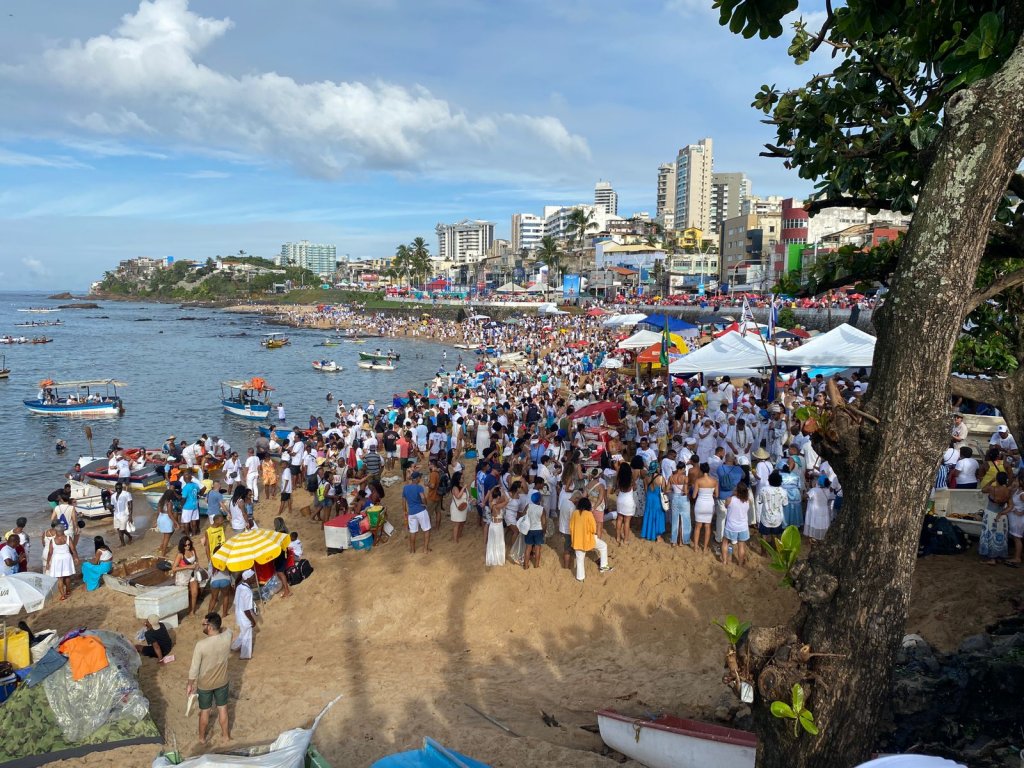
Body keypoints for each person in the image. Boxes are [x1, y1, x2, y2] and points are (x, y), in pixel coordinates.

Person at [188, 612, 233, 744]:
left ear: (209, 626)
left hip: (205, 684)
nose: (202, 626)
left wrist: (190, 684)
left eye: (204, 624)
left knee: (205, 711)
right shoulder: (228, 636)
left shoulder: (201, 645)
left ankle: (202, 739)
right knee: (223, 709)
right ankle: (226, 736)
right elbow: (226, 629)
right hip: (222, 681)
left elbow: (194, 668)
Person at [570, 498, 612, 582]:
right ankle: (603, 567)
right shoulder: (589, 514)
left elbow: (571, 527)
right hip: (588, 539)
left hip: (577, 540)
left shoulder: (574, 513)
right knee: (603, 546)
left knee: (580, 559)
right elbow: (593, 529)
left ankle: (580, 578)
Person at [979, 471, 1011, 564]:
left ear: (997, 479)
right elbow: (1010, 506)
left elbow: (983, 489)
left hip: (990, 514)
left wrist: (991, 480)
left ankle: (991, 558)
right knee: (1000, 535)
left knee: (990, 534)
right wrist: (1001, 513)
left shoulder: (992, 488)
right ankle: (999, 556)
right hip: (1002, 515)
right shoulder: (1008, 491)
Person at [173, 535, 204, 617]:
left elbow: (196, 559)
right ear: (182, 545)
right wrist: (188, 566)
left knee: (194, 593)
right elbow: (174, 568)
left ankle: (192, 611)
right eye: (185, 545)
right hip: (182, 576)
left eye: (189, 544)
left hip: (192, 574)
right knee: (181, 595)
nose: (187, 546)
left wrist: (196, 564)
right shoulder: (180, 555)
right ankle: (178, 613)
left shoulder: (193, 550)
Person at [45, 524, 78, 600]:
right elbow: (73, 549)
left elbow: (50, 553)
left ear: (56, 531)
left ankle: (63, 595)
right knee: (67, 575)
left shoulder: (52, 540)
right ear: (63, 530)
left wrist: (47, 563)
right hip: (67, 557)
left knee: (60, 578)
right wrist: (76, 557)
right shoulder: (67, 538)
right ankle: (68, 590)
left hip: (57, 558)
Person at [692, 462, 719, 554]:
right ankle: (705, 548)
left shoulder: (698, 481)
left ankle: (695, 547)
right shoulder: (714, 481)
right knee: (707, 527)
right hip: (709, 505)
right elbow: (717, 495)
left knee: (697, 527)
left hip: (700, 504)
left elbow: (694, 496)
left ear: (701, 470)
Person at [722, 481, 751, 566]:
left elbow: (726, 506)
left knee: (725, 543)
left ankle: (724, 561)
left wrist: (732, 495)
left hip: (731, 526)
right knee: (741, 546)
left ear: (737, 490)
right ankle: (740, 563)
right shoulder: (747, 501)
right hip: (743, 527)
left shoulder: (730, 499)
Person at [402, 471, 432, 554]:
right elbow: (422, 497)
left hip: (411, 513)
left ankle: (412, 550)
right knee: (426, 530)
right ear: (417, 478)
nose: (420, 479)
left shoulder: (405, 488)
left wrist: (404, 511)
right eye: (420, 477)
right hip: (420, 510)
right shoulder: (419, 487)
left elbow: (403, 500)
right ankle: (425, 549)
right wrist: (425, 504)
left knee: (413, 531)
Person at [231, 570, 258, 660]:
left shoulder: (239, 587)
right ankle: (245, 655)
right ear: (248, 578)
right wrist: (252, 620)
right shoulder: (247, 591)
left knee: (243, 632)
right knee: (247, 635)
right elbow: (247, 610)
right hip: (244, 615)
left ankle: (234, 646)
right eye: (253, 577)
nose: (255, 578)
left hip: (238, 613)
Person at [640, 461, 667, 542]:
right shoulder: (661, 478)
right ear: (656, 468)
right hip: (657, 498)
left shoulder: (646, 477)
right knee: (658, 515)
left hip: (649, 498)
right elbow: (664, 490)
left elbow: (645, 489)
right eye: (658, 467)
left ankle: (647, 534)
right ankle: (658, 536)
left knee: (649, 515)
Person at [756, 471, 788, 539]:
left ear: (769, 480)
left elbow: (759, 501)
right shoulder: (783, 491)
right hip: (777, 519)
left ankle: (763, 550)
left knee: (764, 536)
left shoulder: (763, 490)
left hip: (765, 518)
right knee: (776, 537)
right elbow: (785, 504)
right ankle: (774, 548)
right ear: (780, 481)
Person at [668, 461, 691, 547]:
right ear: (682, 469)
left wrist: (674, 491)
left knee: (675, 520)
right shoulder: (685, 477)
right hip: (683, 499)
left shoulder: (671, 477)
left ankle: (674, 541)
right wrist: (689, 489)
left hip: (674, 498)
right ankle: (682, 541)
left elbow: (667, 489)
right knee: (684, 521)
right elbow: (685, 491)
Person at [805, 475, 833, 540]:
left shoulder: (814, 490)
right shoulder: (828, 491)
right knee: (821, 523)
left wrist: (808, 487)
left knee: (814, 523)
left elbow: (805, 496)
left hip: (815, 511)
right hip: (824, 510)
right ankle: (821, 535)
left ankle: (813, 536)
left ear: (819, 482)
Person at [484, 485, 507, 567]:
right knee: (499, 542)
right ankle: (498, 560)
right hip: (498, 526)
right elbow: (507, 501)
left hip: (492, 525)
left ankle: (492, 558)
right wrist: (503, 492)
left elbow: (490, 494)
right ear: (498, 496)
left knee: (492, 542)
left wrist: (494, 488)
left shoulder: (491, 503)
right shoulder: (498, 506)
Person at [523, 490, 546, 569]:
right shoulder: (542, 509)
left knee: (528, 548)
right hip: (538, 530)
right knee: (537, 548)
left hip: (529, 529)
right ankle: (536, 566)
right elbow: (543, 523)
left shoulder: (528, 506)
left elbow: (523, 516)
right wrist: (544, 531)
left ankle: (526, 566)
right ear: (539, 500)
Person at [613, 462, 635, 544]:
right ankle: (625, 540)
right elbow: (635, 487)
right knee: (627, 521)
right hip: (628, 500)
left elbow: (616, 487)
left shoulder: (618, 479)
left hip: (620, 499)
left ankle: (618, 537)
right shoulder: (631, 479)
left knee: (619, 519)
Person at [111, 482, 134, 547]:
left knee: (122, 530)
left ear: (122, 488)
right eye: (117, 488)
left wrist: (130, 516)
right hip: (116, 515)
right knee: (119, 529)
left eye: (119, 488)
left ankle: (122, 543)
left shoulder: (126, 494)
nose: (118, 489)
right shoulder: (113, 496)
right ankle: (129, 537)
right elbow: (112, 506)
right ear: (115, 488)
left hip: (124, 514)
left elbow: (130, 504)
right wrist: (109, 508)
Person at [449, 471, 469, 543]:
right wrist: (463, 488)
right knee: (457, 524)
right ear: (458, 479)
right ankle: (455, 540)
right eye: (461, 478)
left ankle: (459, 535)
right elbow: (458, 496)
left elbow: (466, 497)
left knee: (462, 522)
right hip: (456, 508)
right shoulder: (455, 488)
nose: (463, 479)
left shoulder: (462, 486)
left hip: (463, 507)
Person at [180, 470, 202, 536]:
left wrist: (181, 505)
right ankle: (194, 534)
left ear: (184, 479)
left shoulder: (185, 488)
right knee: (194, 521)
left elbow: (184, 498)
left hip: (187, 507)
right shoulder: (195, 485)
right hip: (195, 505)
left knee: (186, 522)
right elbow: (199, 492)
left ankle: (187, 535)